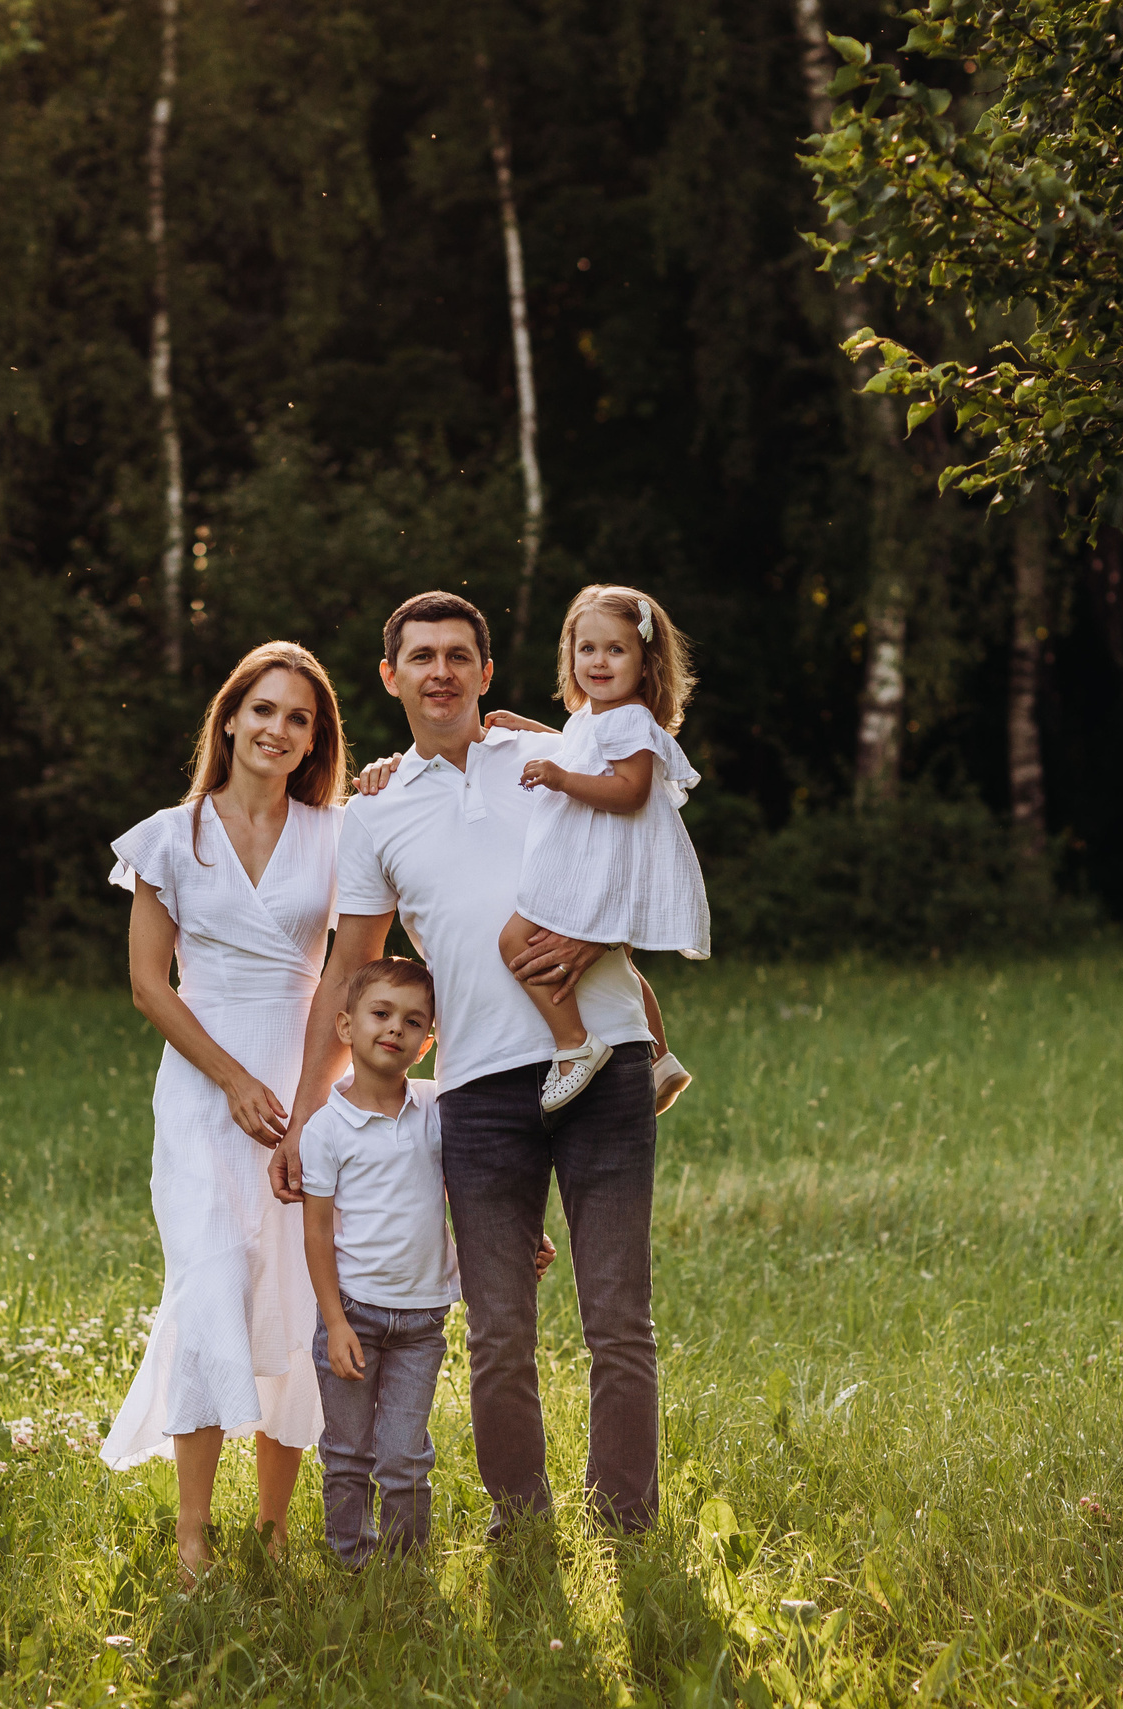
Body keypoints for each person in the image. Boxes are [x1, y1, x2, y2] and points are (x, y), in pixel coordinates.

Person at [274, 590, 663, 1535]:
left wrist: (590, 934)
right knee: (498, 1334)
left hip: (602, 1059)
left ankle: (625, 1522)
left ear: (487, 674)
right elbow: (350, 973)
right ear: (391, 676)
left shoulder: (555, 754)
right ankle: (520, 1521)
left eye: (459, 654)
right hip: (480, 1092)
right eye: (421, 656)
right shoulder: (374, 813)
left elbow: (644, 850)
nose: (440, 670)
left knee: (618, 1320)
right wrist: (302, 1117)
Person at [97, 640, 346, 1585]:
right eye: (264, 710)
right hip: (204, 1089)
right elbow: (149, 986)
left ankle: (275, 1527)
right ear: (229, 718)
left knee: (291, 1288)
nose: (278, 730)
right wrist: (235, 1080)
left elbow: (353, 972)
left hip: (308, 1075)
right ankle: (192, 1533)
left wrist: (314, 1098)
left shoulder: (336, 835)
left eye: (299, 718)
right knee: (209, 1282)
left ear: (312, 738)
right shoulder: (169, 835)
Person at [493, 583, 709, 1116]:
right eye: (587, 648)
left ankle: (574, 1045)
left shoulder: (631, 718)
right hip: (605, 860)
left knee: (515, 940)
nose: (599, 661)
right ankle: (659, 1059)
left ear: (646, 663)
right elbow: (584, 752)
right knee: (621, 967)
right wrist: (532, 732)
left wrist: (561, 779)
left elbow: (630, 790)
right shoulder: (599, 717)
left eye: (616, 649)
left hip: (602, 862)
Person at [297, 956, 461, 1569]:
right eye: (381, 1013)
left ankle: (406, 1569)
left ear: (427, 1043)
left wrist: (518, 1242)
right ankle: (350, 1564)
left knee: (402, 1456)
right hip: (355, 1317)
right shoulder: (326, 1129)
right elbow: (316, 1234)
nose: (395, 1028)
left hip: (422, 1321)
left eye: (413, 1021)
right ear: (345, 1026)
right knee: (347, 1452)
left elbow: (468, 1196)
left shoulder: (438, 1109)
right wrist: (334, 1321)